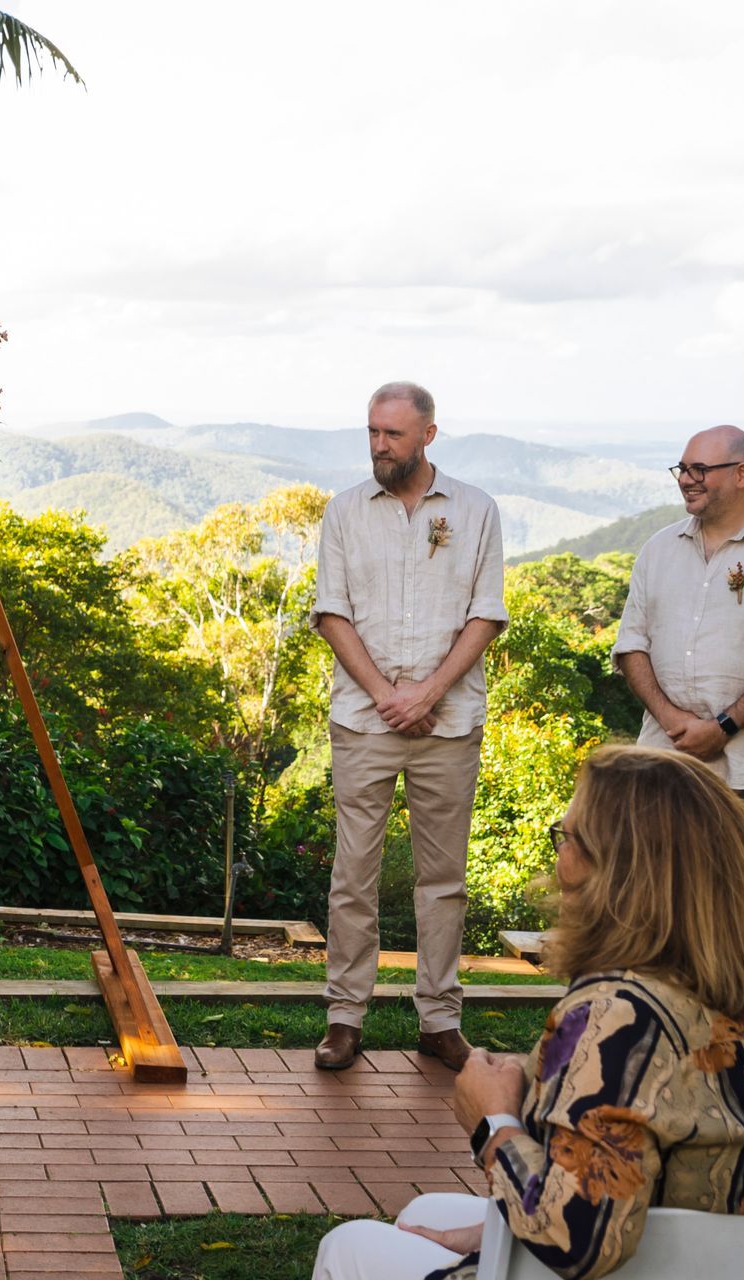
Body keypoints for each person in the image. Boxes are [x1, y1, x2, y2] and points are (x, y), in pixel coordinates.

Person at [312, 745, 744, 1279]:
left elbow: (578, 1240)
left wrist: (494, 1124)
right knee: (424, 1214)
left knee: (350, 1245)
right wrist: (480, 1242)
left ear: (619, 873)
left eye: (567, 839)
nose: (558, 861)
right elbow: (672, 1193)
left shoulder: (616, 1018)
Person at [311, 381, 507, 1072]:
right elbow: (331, 612)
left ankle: (440, 1019)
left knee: (443, 877)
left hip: (448, 721)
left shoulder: (477, 510)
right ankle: (344, 1017)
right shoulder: (344, 512)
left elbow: (486, 614)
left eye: (392, 434)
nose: (378, 446)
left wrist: (427, 692)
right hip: (364, 719)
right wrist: (387, 695)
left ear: (427, 434)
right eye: (371, 432)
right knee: (353, 872)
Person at [612, 425, 744, 847]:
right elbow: (631, 645)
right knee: (658, 895)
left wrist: (723, 726)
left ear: (742, 474)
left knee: (739, 902)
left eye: (700, 469)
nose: (686, 479)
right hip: (663, 759)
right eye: (682, 469)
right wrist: (672, 721)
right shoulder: (659, 548)